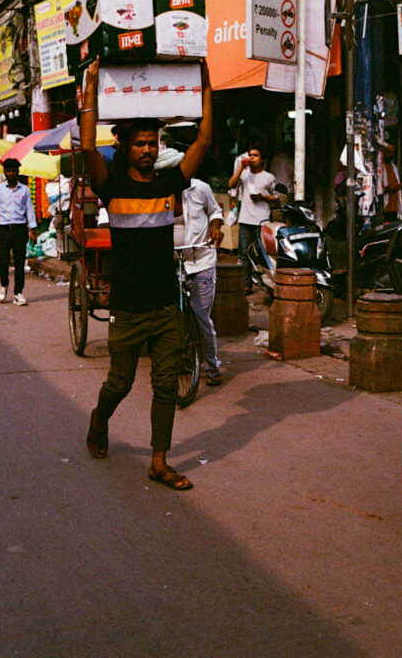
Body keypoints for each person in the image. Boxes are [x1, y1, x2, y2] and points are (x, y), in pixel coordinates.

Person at [81, 57, 213, 492]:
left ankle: (159, 461)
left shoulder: (166, 185)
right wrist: (93, 81)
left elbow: (204, 141)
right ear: (124, 147)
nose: (148, 149)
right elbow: (85, 148)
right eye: (139, 143)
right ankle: (100, 420)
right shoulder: (111, 186)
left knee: (163, 385)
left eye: (152, 143)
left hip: (164, 305)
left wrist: (204, 83)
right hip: (128, 307)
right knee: (119, 383)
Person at [157, 147, 224, 386]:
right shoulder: (158, 195)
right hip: (171, 263)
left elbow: (216, 212)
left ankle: (213, 364)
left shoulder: (200, 188)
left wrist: (216, 227)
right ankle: (182, 356)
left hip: (201, 259)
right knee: (172, 315)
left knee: (200, 314)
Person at [228, 142, 278, 293]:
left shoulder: (268, 177)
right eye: (250, 155)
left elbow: (276, 197)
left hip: (263, 220)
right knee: (244, 254)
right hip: (245, 220)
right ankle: (246, 284)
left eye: (255, 155)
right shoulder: (244, 175)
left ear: (262, 159)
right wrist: (241, 167)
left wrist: (262, 197)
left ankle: (268, 281)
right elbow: (231, 184)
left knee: (265, 253)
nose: (252, 158)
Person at [0, 157, 37, 305]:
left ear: (17, 172)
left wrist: (32, 229)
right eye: (8, 171)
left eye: (13, 171)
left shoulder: (25, 189)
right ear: (4, 173)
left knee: (20, 261)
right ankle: (3, 284)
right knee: (3, 260)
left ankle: (18, 292)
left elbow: (29, 210)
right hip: (3, 229)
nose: (11, 174)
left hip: (20, 229)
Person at [379, 140, 402, 220]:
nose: (390, 155)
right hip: (384, 208)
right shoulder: (379, 167)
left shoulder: (394, 167)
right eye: (388, 152)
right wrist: (389, 189)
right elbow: (378, 190)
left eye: (392, 153)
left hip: (394, 208)